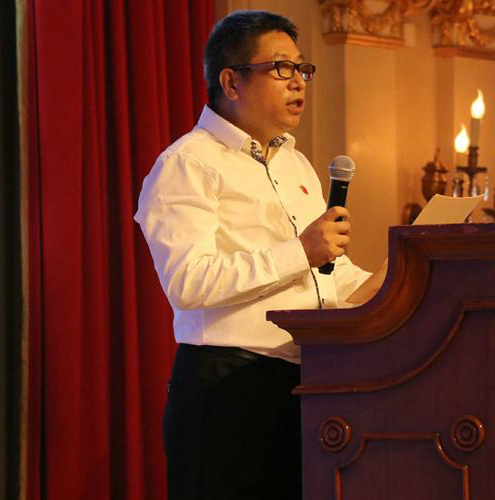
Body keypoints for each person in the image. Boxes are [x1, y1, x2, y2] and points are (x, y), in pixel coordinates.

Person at [134, 10, 371, 500]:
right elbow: (189, 282)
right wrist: (300, 251)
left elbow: (329, 274)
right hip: (227, 390)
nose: (298, 82)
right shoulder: (187, 164)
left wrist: (411, 274)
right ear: (231, 82)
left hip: (306, 384)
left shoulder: (294, 163)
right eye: (281, 68)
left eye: (302, 68)